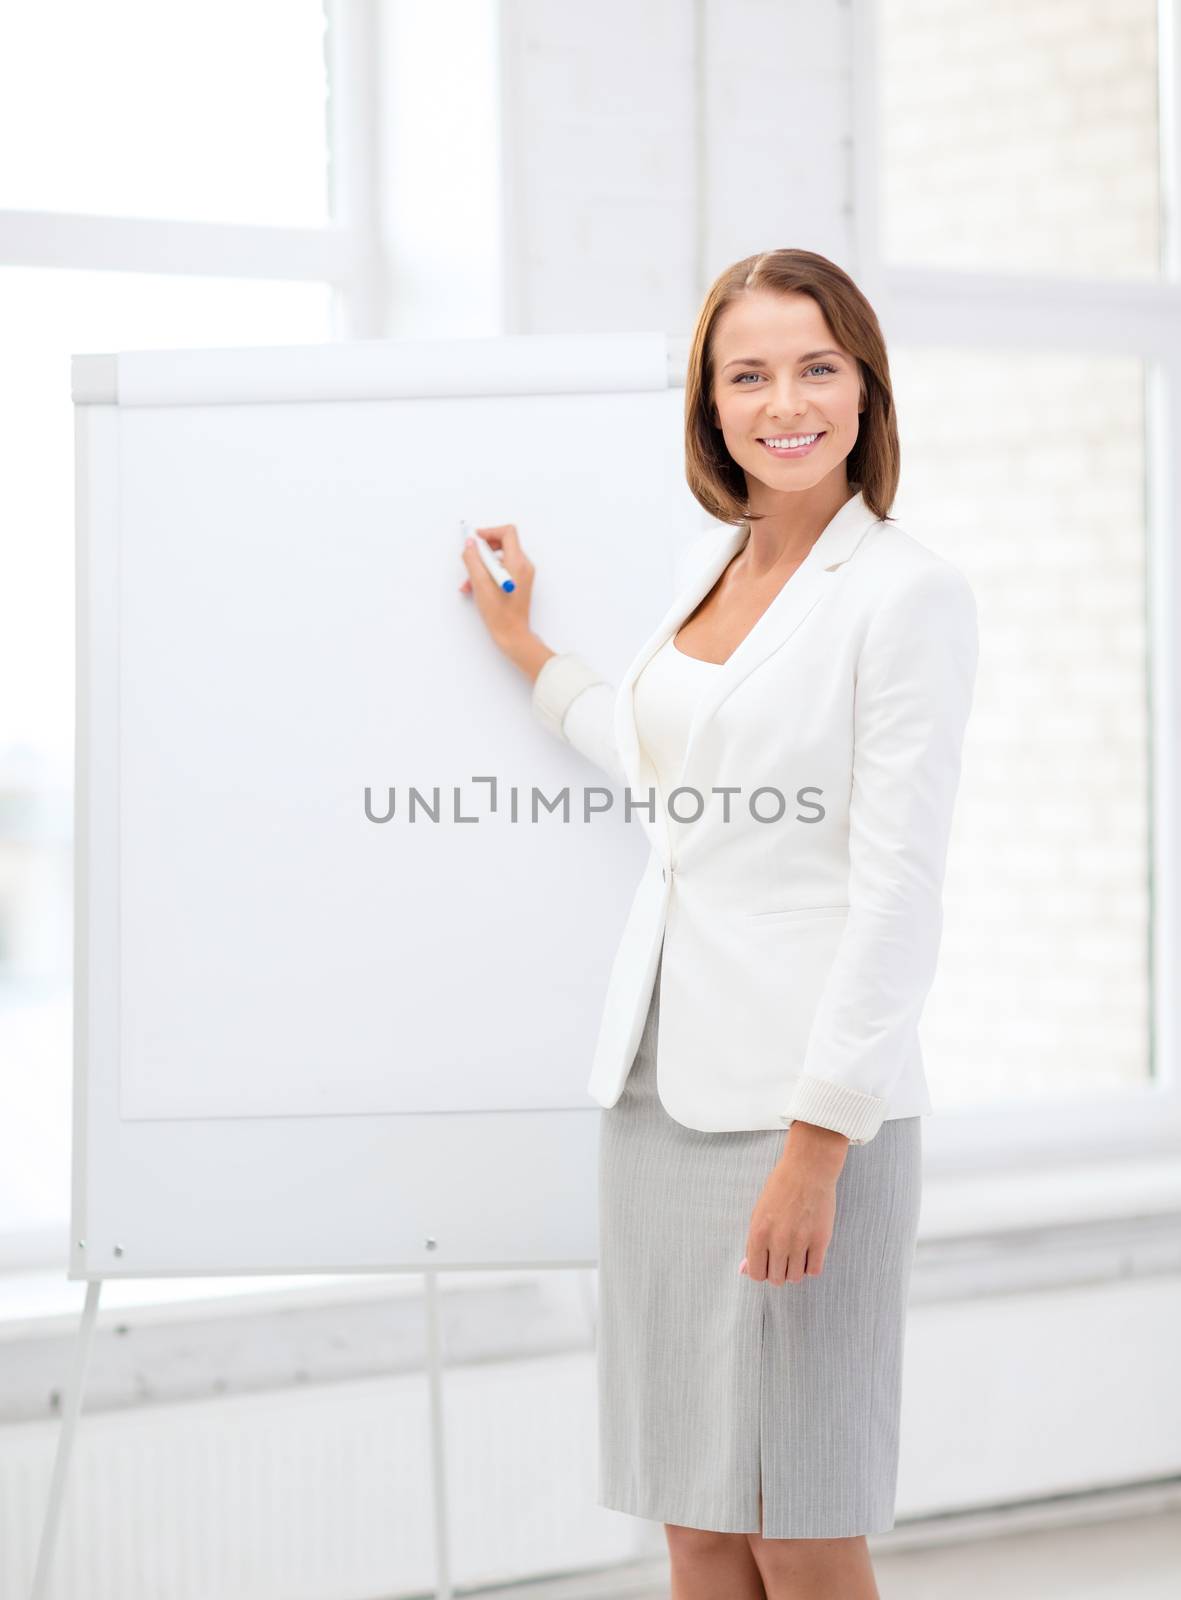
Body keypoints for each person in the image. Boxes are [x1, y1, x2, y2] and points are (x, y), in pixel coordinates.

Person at [458, 248, 978, 1600]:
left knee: (797, 1517)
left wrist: (817, 1145)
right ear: (709, 401)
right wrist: (527, 650)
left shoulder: (904, 594)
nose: (782, 401)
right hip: (656, 1085)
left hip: (803, 1106)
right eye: (746, 372)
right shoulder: (711, 564)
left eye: (815, 366)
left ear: (864, 390)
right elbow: (662, 764)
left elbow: (898, 886)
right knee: (694, 1515)